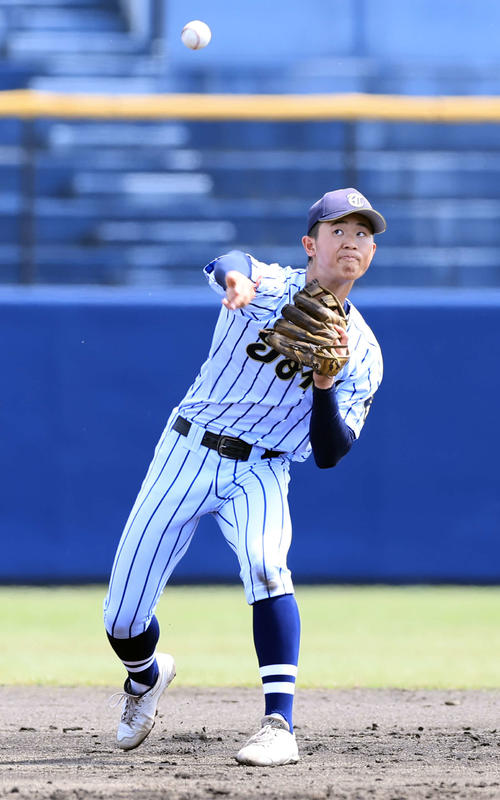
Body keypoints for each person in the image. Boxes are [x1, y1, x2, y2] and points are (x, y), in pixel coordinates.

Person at [104, 187, 386, 766]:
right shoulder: (273, 286)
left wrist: (325, 387)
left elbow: (331, 453)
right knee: (123, 619)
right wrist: (239, 284)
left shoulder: (364, 350)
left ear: (372, 252)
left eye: (363, 234)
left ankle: (279, 725)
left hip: (263, 468)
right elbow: (227, 261)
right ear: (312, 243)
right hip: (187, 448)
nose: (351, 242)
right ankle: (145, 677)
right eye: (339, 231)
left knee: (266, 565)